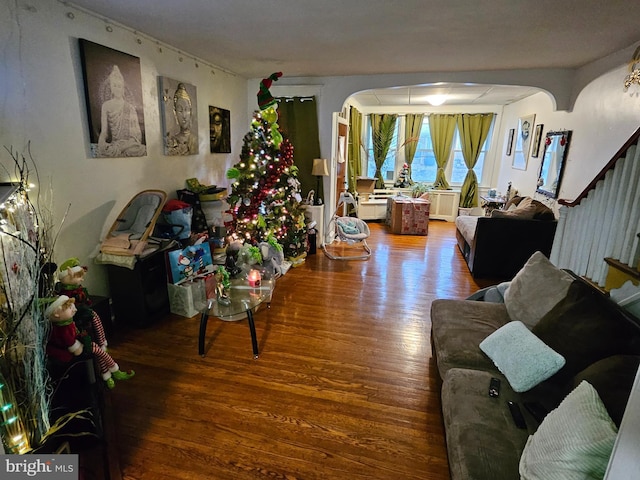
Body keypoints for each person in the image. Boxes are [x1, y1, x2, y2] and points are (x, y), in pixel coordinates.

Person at [45, 295, 135, 389]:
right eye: (70, 308)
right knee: (98, 350)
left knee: (98, 350)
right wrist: (79, 344)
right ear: (56, 314)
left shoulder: (67, 323)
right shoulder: (62, 329)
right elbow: (71, 343)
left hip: (75, 346)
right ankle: (114, 371)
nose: (74, 309)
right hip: (67, 353)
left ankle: (108, 373)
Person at [97, 65, 147, 157]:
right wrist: (101, 141)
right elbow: (104, 132)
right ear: (111, 87)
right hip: (115, 144)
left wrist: (125, 146)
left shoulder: (130, 107)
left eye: (119, 86)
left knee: (141, 149)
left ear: (123, 88)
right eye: (115, 86)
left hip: (129, 145)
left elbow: (137, 136)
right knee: (104, 151)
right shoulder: (106, 106)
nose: (117, 88)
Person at [166, 83, 198, 155]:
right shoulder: (172, 141)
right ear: (175, 113)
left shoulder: (195, 140)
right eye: (180, 110)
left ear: (190, 111)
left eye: (186, 110)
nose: (184, 115)